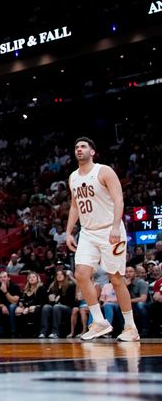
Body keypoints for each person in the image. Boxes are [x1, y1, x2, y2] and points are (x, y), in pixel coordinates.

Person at [65, 137, 139, 341]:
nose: (79, 149)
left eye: (83, 146)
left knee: (115, 278)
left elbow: (118, 199)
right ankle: (99, 322)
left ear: (92, 152)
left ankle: (131, 327)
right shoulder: (73, 177)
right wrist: (69, 231)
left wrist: (116, 226)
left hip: (109, 229)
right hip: (88, 232)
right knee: (81, 274)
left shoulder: (104, 171)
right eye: (76, 147)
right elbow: (74, 206)